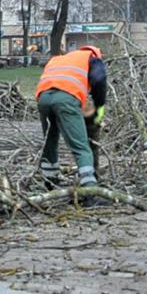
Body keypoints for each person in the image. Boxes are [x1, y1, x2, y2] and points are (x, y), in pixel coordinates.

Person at [36, 44, 108, 191]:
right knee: (81, 146)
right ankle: (90, 188)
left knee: (49, 144)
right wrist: (99, 105)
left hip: (43, 98)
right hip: (66, 99)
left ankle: (50, 182)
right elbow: (99, 80)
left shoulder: (60, 59)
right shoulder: (92, 58)